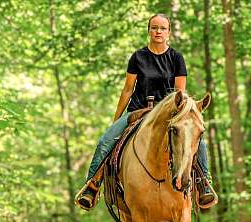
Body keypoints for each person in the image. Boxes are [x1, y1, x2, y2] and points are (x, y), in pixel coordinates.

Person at [75, 13, 217, 211]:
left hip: (167, 115)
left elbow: (180, 94)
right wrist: (117, 119)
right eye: (154, 28)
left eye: (162, 28)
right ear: (149, 31)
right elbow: (127, 90)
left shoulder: (176, 58)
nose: (158, 31)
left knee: (198, 141)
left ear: (168, 32)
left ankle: (204, 184)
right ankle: (92, 186)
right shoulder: (137, 57)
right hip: (138, 111)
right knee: (105, 141)